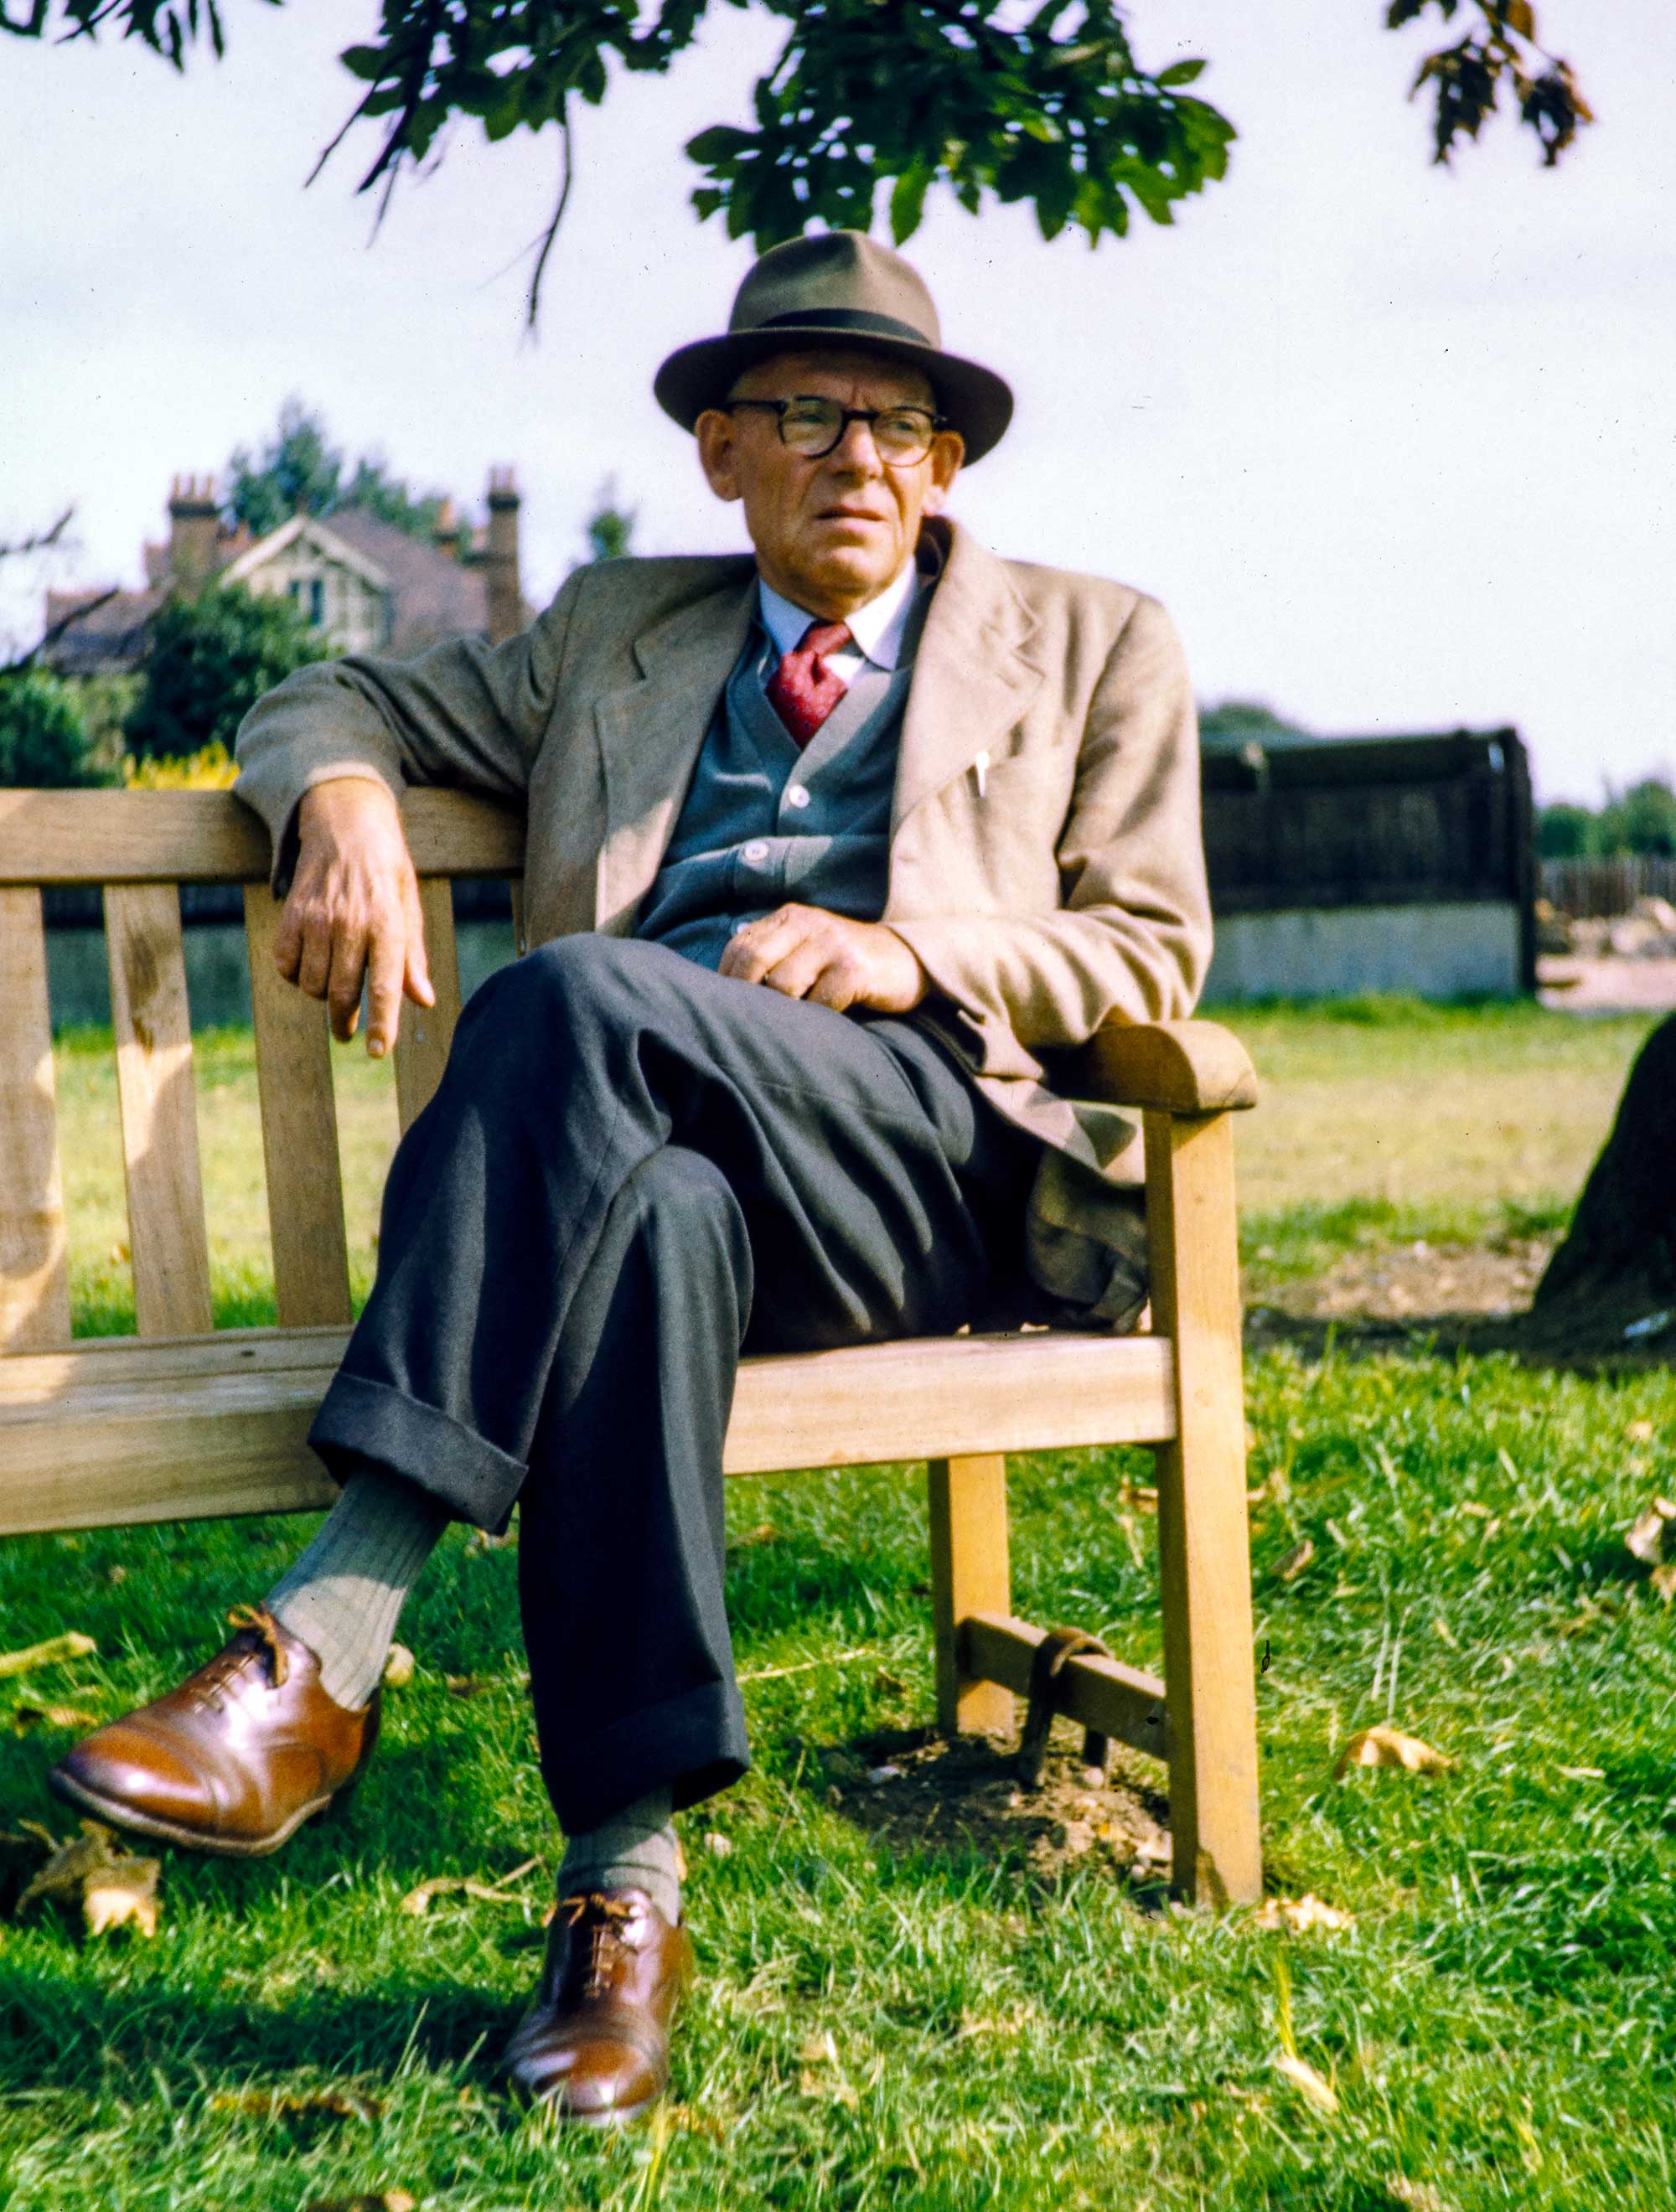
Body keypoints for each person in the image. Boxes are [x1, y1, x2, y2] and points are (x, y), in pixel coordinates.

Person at [49, 230, 1210, 2125]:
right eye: (812, 416)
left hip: (920, 1170)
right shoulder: (616, 634)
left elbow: (1149, 951)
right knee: (648, 1213)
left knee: (583, 996)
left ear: (946, 464)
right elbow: (319, 698)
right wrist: (339, 802)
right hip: (671, 1173)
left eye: (903, 424)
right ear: (720, 454)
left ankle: (327, 1640)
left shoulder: (1092, 640)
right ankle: (623, 1910)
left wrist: (922, 956)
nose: (862, 459)